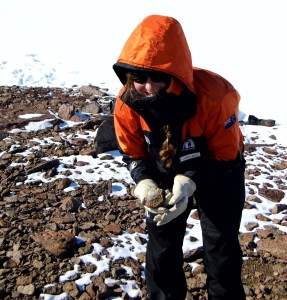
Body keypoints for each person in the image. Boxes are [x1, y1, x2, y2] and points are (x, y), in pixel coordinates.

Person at [112, 14, 246, 300]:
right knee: (161, 251)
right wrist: (144, 181)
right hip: (163, 171)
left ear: (175, 73)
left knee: (220, 248)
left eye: (158, 76)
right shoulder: (126, 104)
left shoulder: (215, 97)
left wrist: (190, 180)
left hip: (219, 172)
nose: (148, 87)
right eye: (139, 77)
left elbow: (227, 156)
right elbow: (133, 152)